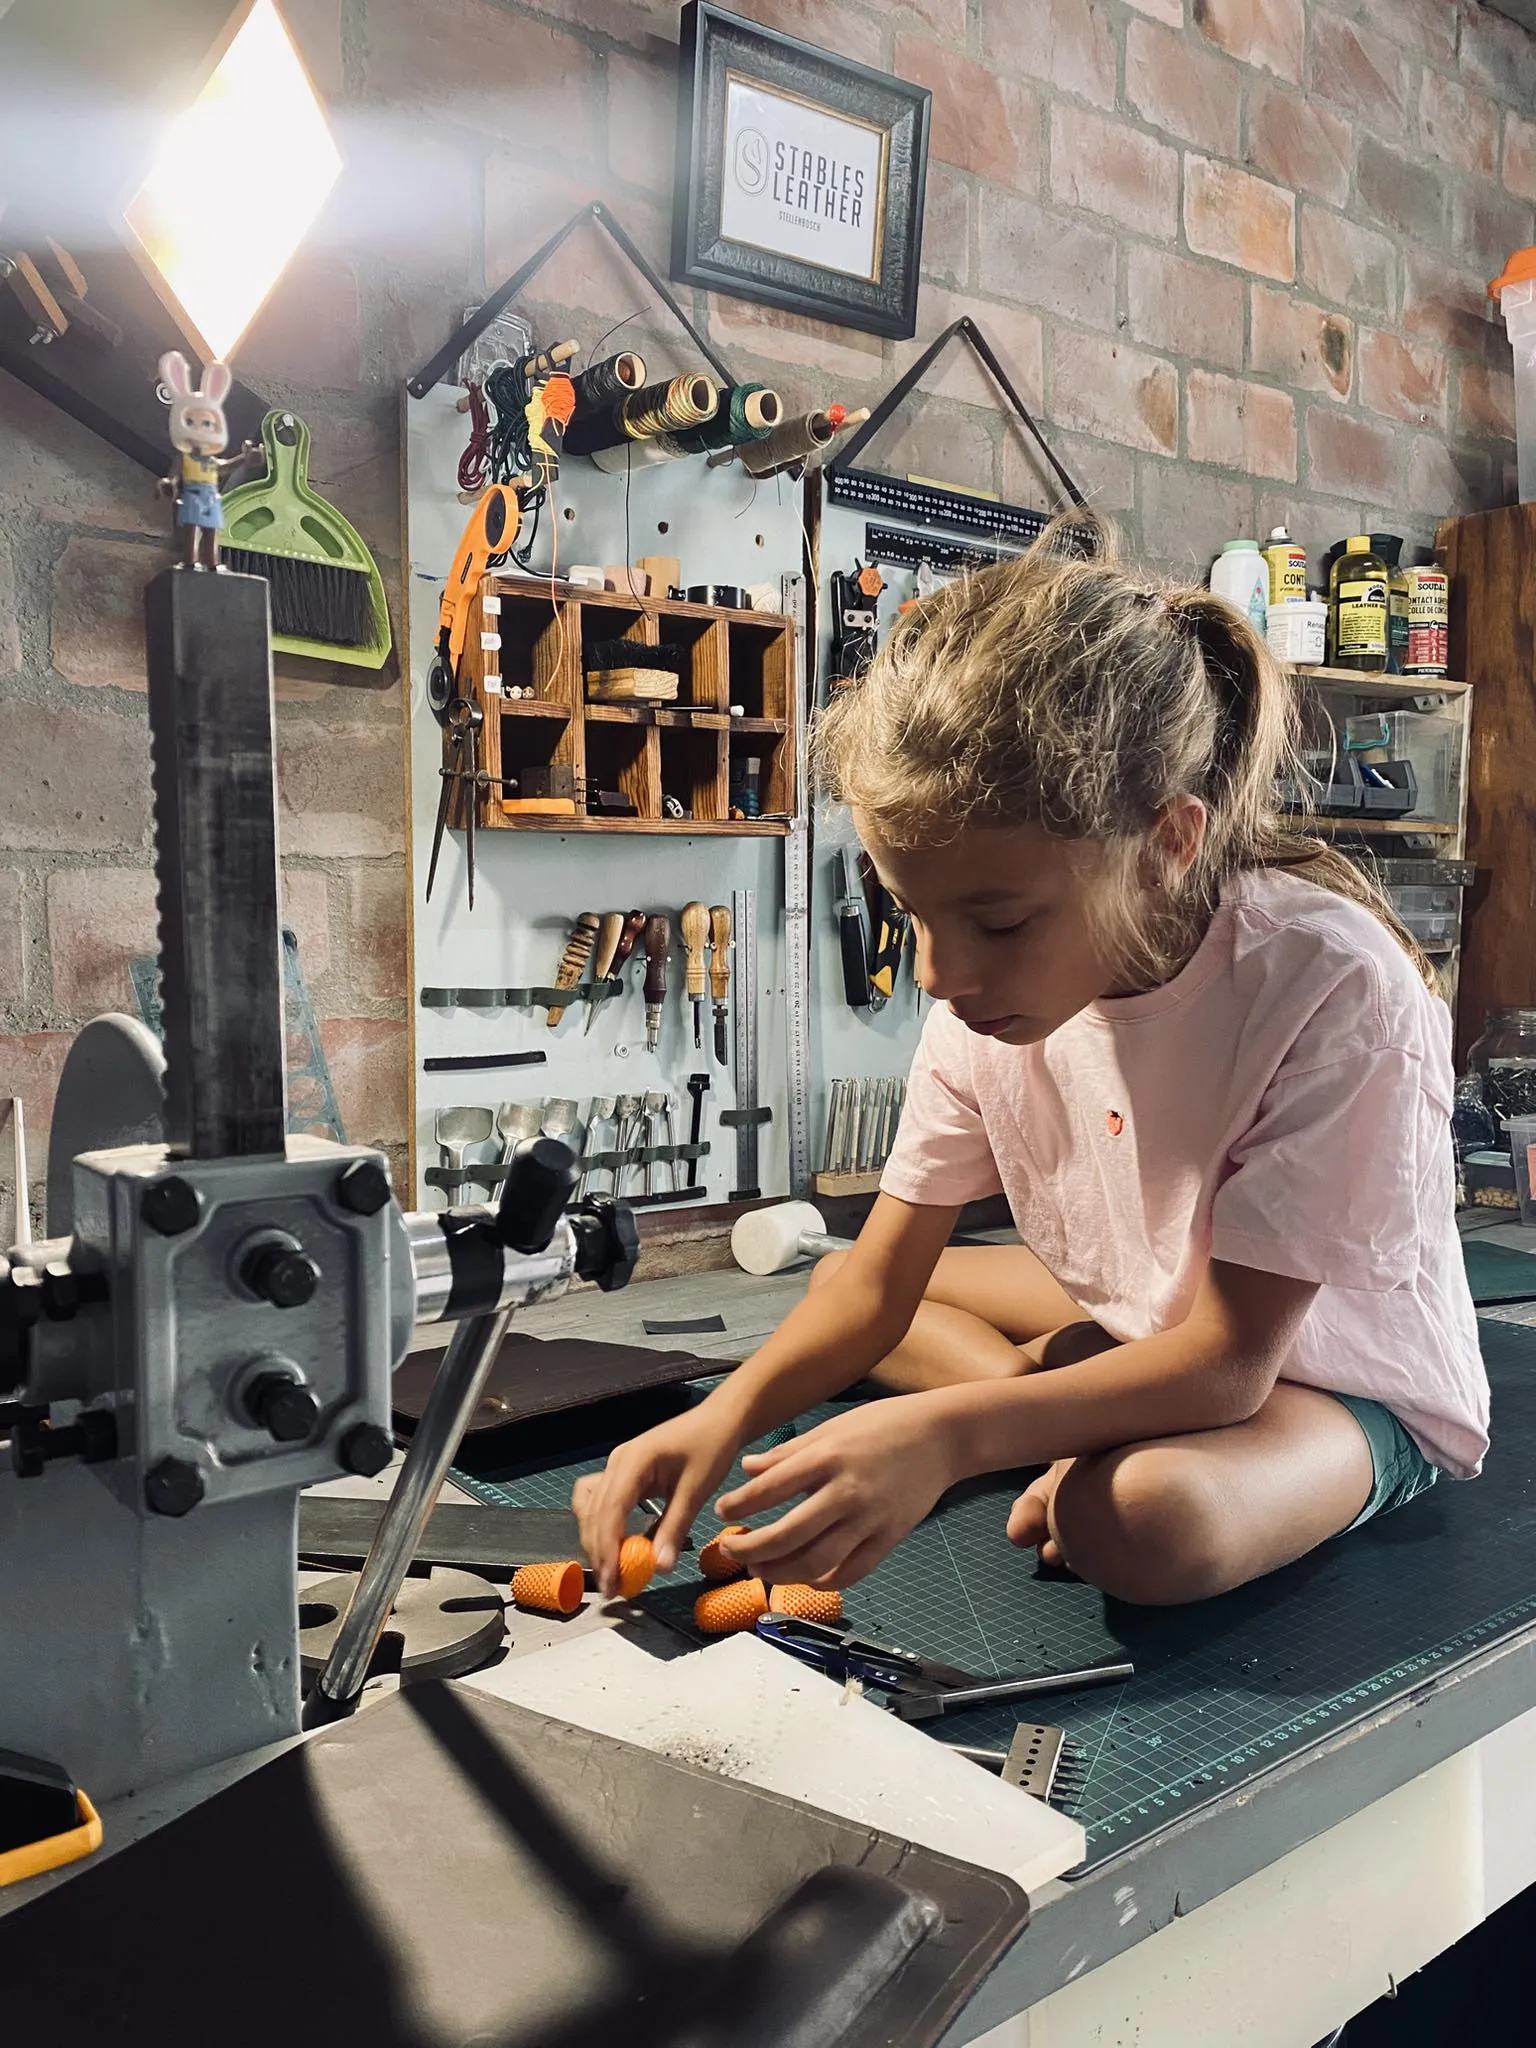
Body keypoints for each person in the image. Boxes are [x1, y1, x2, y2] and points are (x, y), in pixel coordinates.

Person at [574, 518, 1489, 1608]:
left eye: (999, 922)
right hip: (1154, 1306)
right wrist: (720, 1417)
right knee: (838, 1279)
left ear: (1170, 841)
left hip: (1326, 1373)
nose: (940, 973)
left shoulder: (1332, 984)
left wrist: (943, 1434)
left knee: (1143, 1519)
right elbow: (875, 1282)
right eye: (909, 912)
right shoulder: (982, 985)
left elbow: (1231, 1362)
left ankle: (1059, 1408)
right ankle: (1053, 1397)